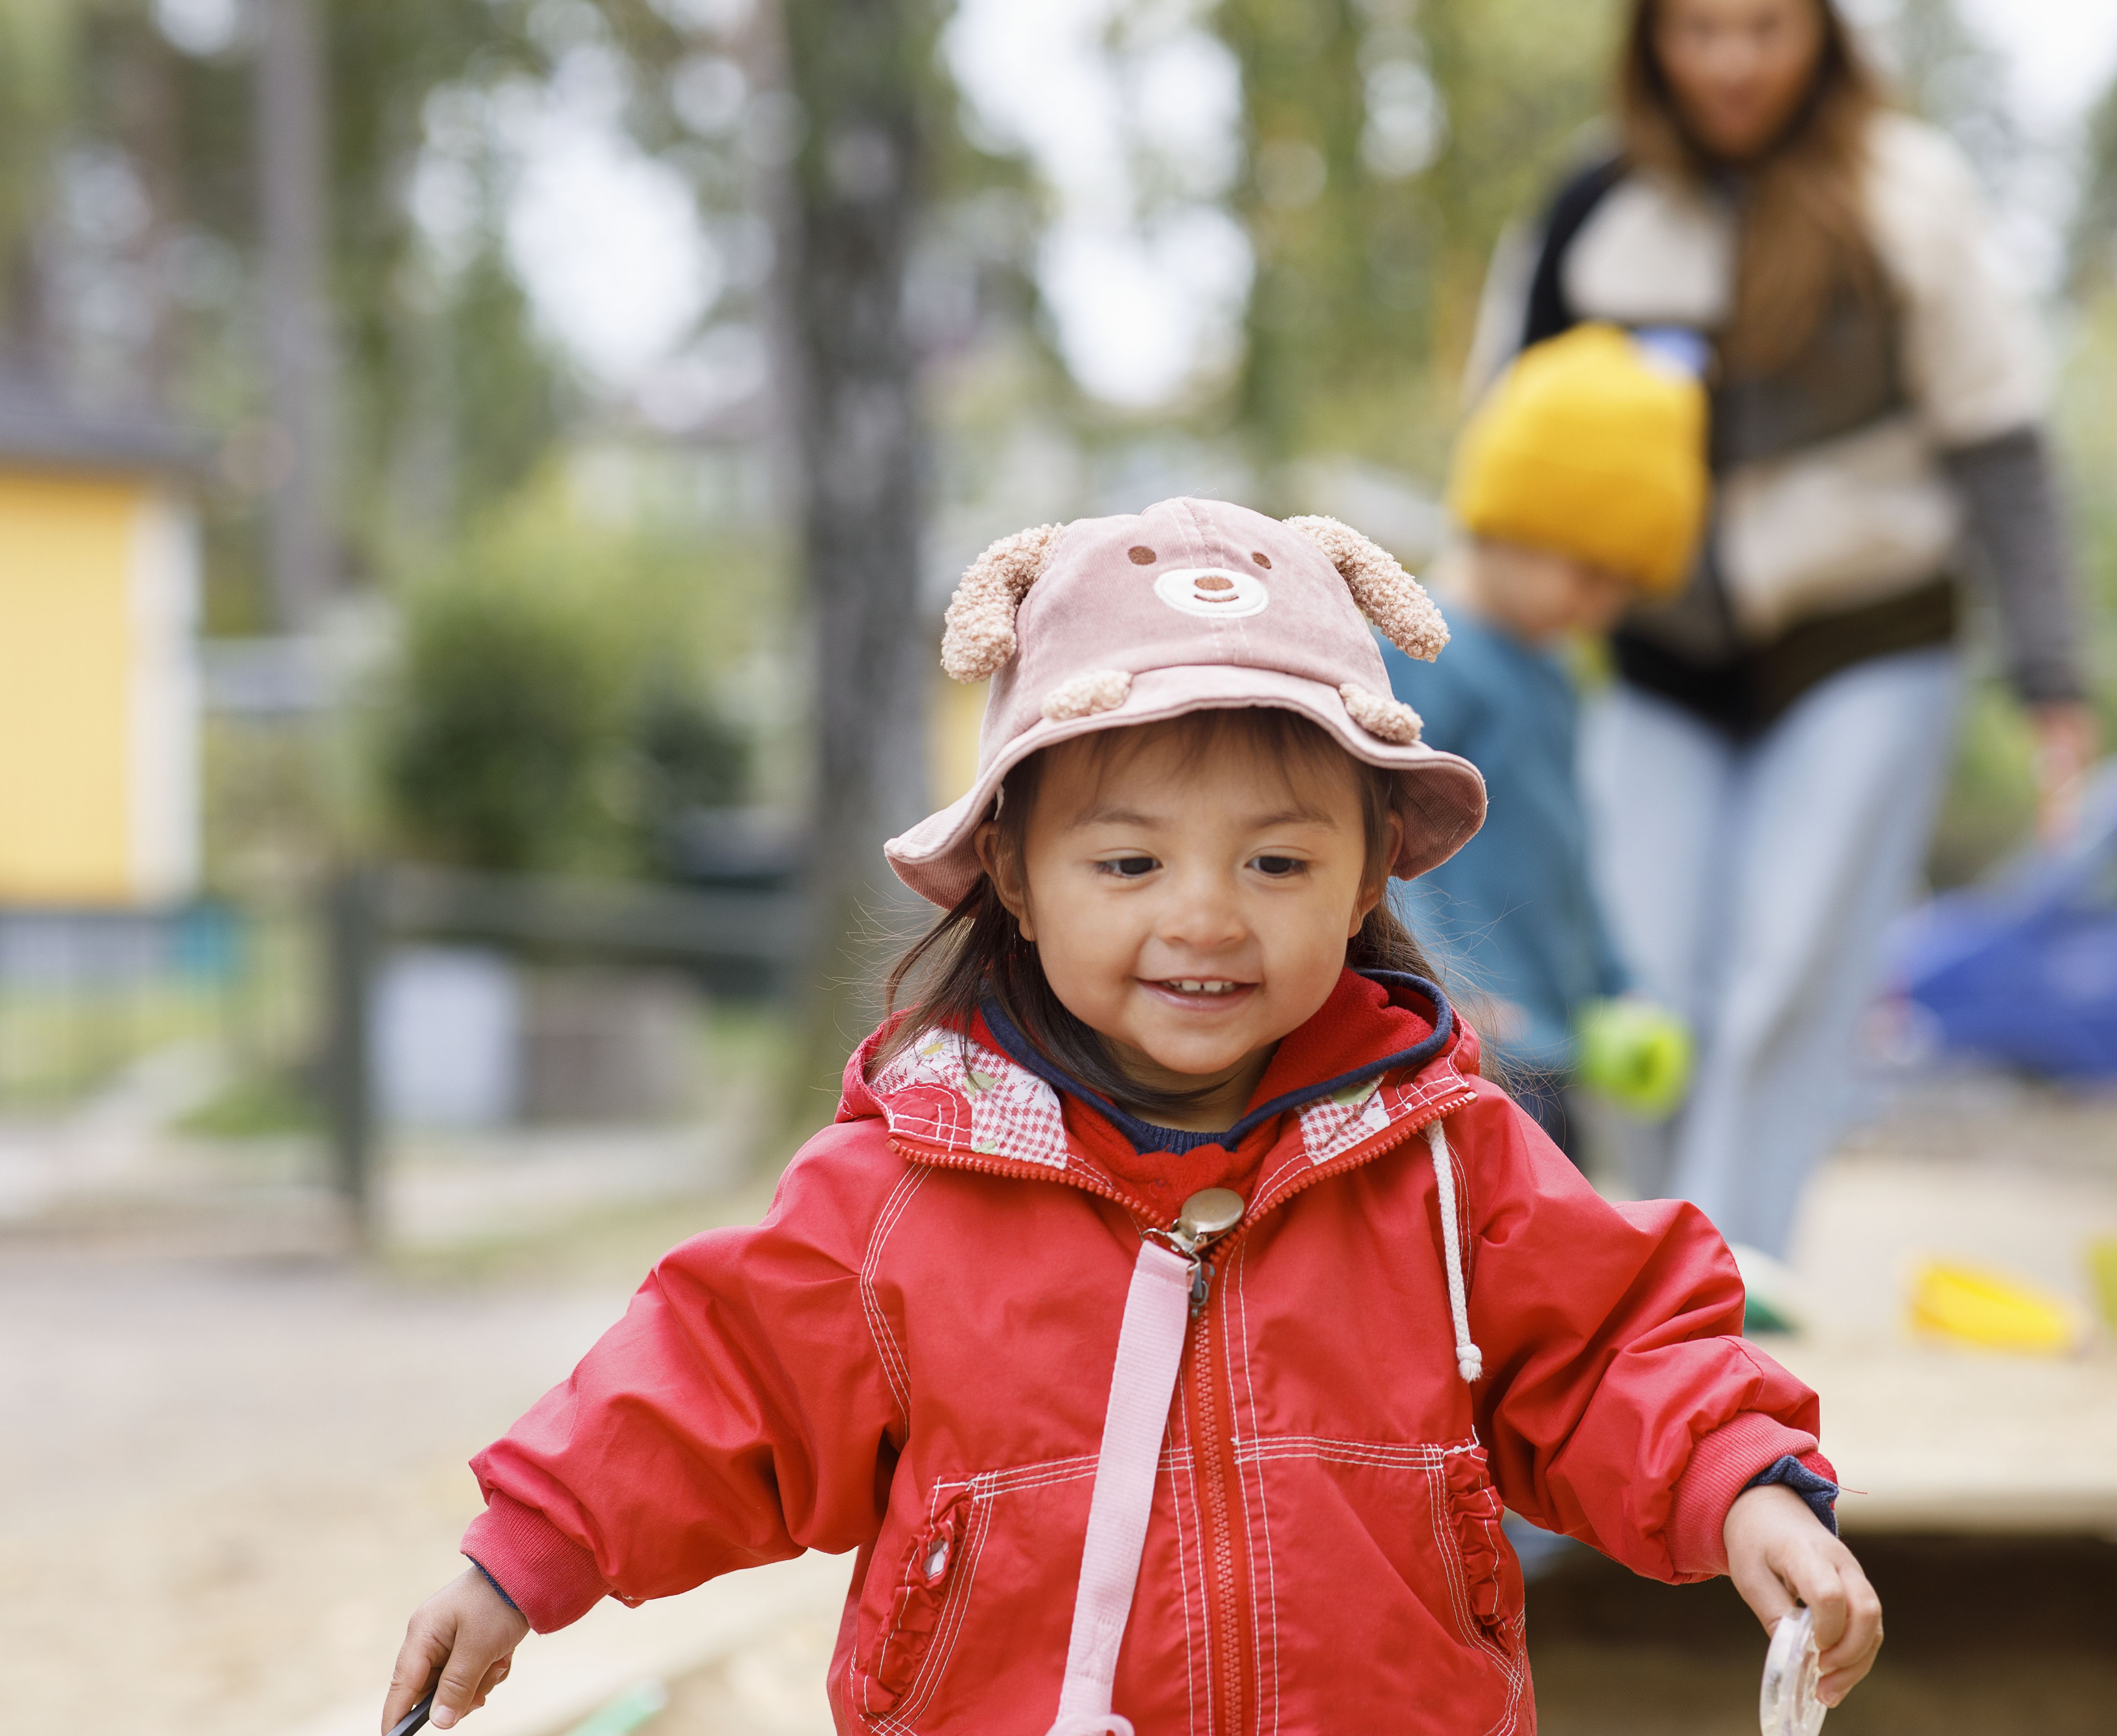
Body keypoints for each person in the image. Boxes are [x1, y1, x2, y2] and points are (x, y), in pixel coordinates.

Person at [378, 499, 1882, 1735]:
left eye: (1279, 866)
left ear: (1367, 879)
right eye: (1130, 865)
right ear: (1018, 878)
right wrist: (527, 1557)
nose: (1208, 919)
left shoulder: (1443, 1161)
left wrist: (1747, 1488)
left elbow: (1615, 1346)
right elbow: (717, 1380)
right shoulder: (908, 1187)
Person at [1470, 0, 2096, 1258]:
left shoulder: (1904, 191)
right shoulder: (1596, 203)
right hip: (1658, 654)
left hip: (1866, 634)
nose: (1734, 61)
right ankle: (1647, 1256)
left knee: (1790, 966)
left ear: (1823, 34)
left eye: (1766, 27)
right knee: (1644, 978)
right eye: (1701, 31)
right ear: (1652, 41)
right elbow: (1507, 448)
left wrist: (2054, 680)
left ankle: (1734, 1270)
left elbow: (2001, 445)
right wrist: (1475, 638)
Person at [1386, 321, 1708, 1156]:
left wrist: (1619, 985)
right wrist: (1432, 983)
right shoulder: (1424, 646)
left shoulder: (1559, 673)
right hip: (1465, 1045)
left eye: (1623, 586)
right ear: (1512, 518)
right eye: (1586, 569)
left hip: (1555, 1045)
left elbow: (1569, 857)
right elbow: (1377, 843)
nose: (1600, 608)